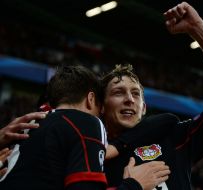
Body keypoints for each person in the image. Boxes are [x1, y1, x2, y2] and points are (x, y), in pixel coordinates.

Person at [101, 2, 203, 190]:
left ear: (144, 108)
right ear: (101, 105)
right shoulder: (88, 153)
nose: (129, 99)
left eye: (136, 94)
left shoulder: (174, 138)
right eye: (118, 92)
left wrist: (197, 27)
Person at [0, 65, 170, 190]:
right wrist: (135, 185)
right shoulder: (87, 122)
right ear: (91, 99)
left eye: (135, 93)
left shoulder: (26, 126)